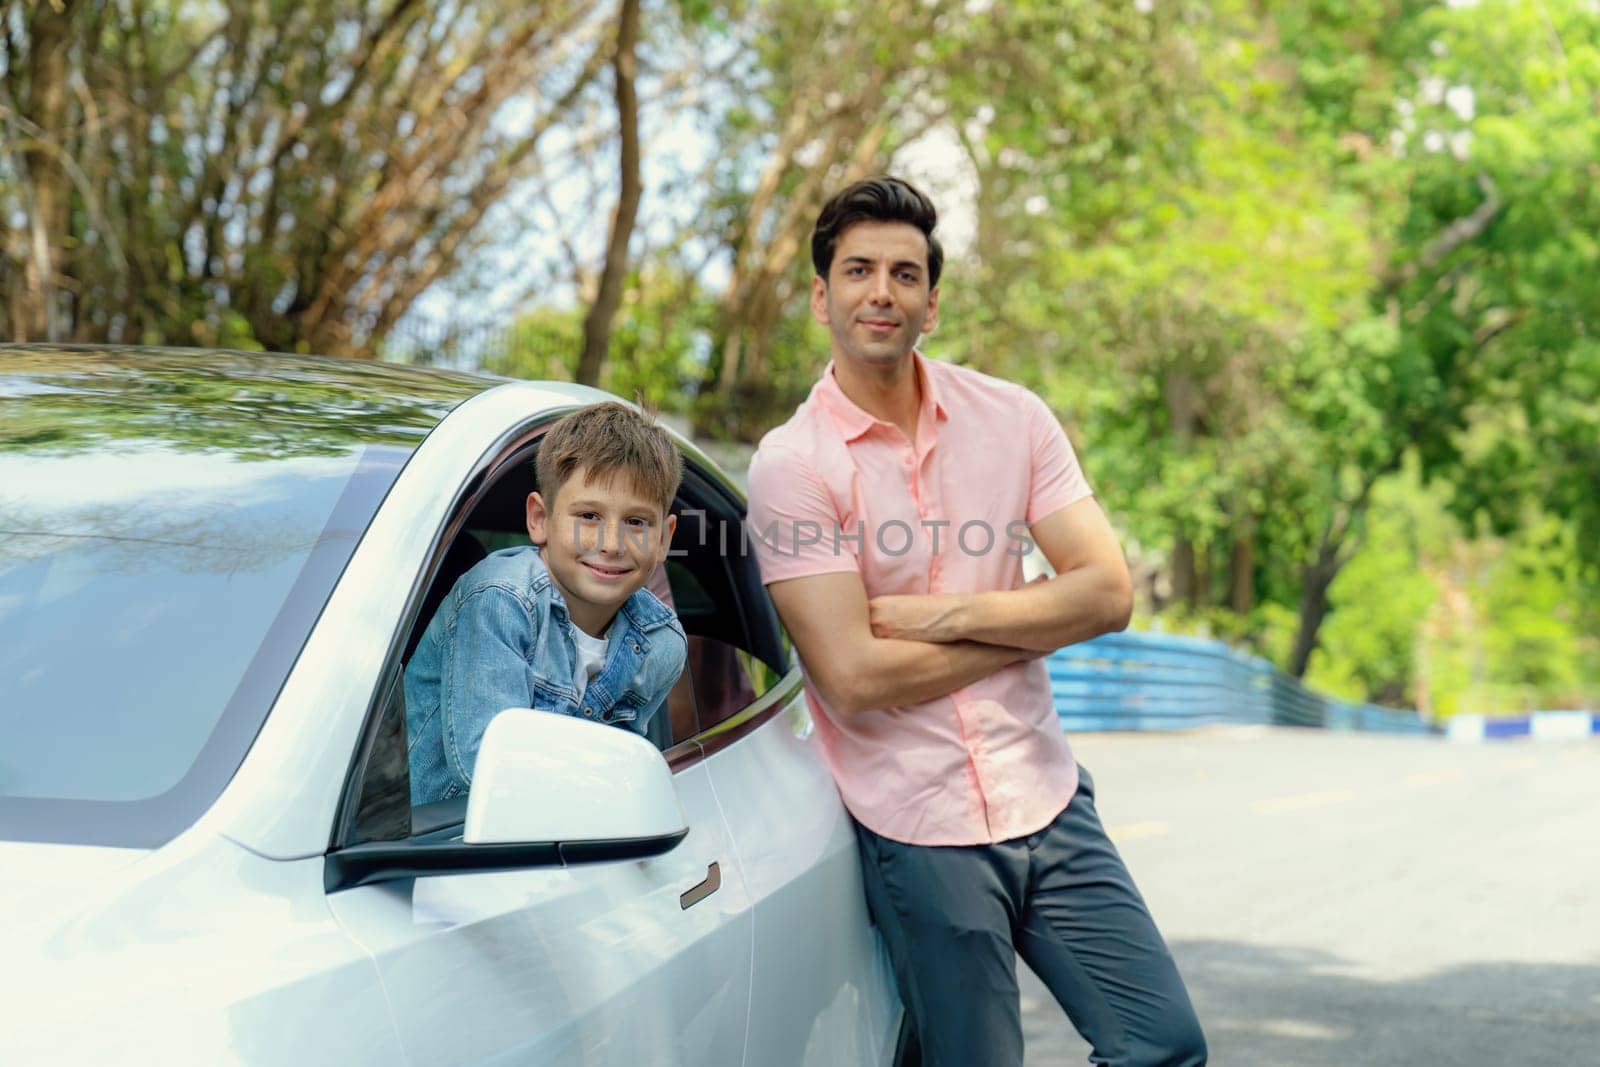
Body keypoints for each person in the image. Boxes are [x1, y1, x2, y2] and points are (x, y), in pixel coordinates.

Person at [744, 176, 1207, 1066]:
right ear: (820, 296)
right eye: (859, 270)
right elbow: (854, 677)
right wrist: (1036, 618)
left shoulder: (1013, 417)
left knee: (1163, 1045)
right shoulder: (791, 466)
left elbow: (1108, 593)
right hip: (918, 828)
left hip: (1047, 791)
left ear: (933, 303)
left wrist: (949, 615)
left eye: (905, 274)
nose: (882, 291)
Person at [405, 401, 687, 806]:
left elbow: (627, 768)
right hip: (439, 841)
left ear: (663, 538)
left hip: (555, 837)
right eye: (588, 516)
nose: (611, 544)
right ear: (539, 518)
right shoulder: (500, 602)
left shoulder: (661, 645)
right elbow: (488, 769)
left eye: (637, 522)